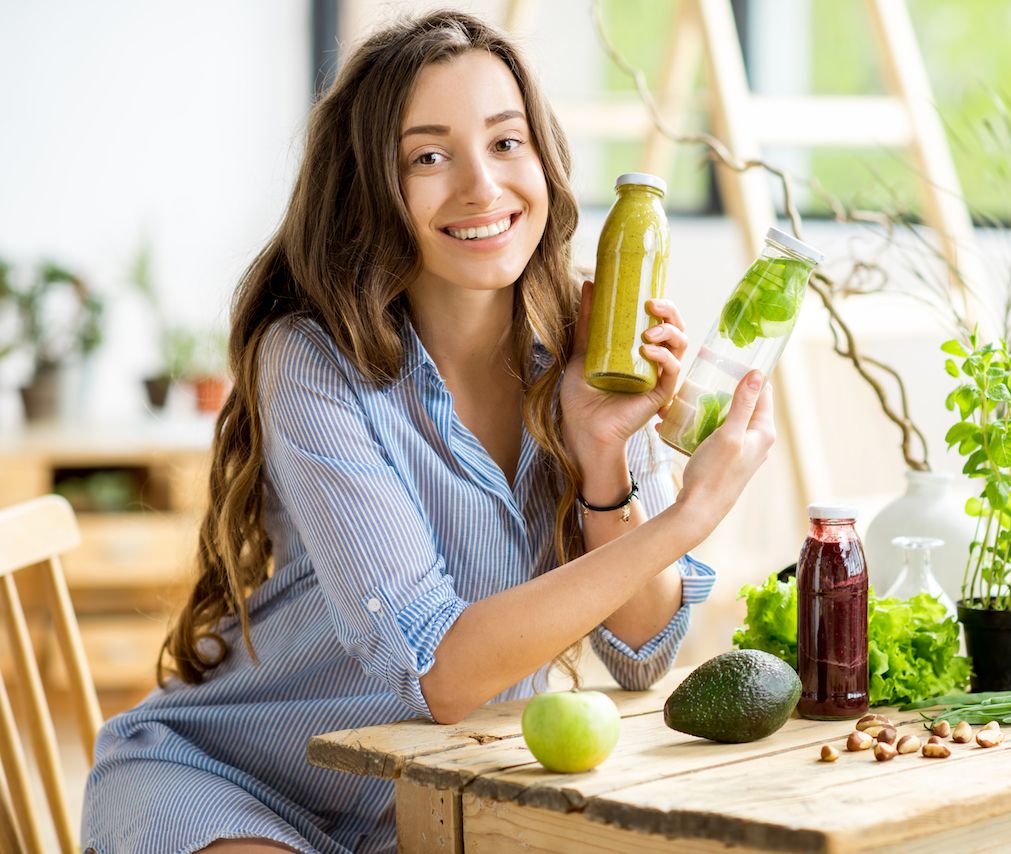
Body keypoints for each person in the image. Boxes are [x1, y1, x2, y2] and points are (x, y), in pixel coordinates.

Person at [81, 10, 774, 853]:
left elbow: (640, 653)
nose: (482, 187)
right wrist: (685, 521)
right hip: (231, 781)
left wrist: (602, 457)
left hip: (428, 796)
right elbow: (438, 673)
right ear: (373, 186)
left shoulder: (586, 344)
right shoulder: (310, 361)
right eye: (429, 156)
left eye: (506, 142)